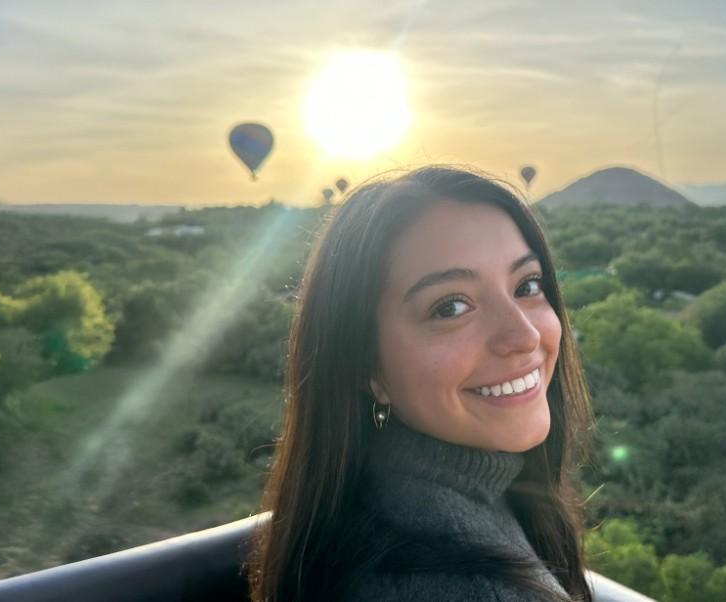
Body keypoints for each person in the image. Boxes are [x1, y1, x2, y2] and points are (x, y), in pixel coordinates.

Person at [245, 166, 596, 601]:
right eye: (450, 307)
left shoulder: (364, 510)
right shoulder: (464, 586)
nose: (524, 336)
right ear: (367, 368)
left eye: (527, 284)